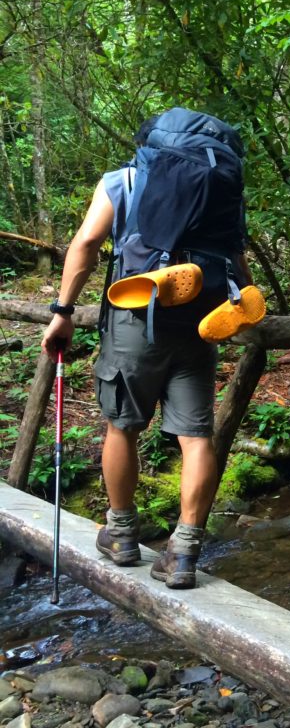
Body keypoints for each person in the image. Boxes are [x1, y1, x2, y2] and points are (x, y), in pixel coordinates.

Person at [41, 116, 250, 590]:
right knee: (195, 436)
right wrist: (245, 301)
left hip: (136, 317)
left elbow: (88, 242)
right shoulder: (221, 187)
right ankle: (183, 553)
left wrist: (63, 311)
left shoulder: (126, 179)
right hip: (199, 321)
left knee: (123, 425)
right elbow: (237, 257)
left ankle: (120, 535)